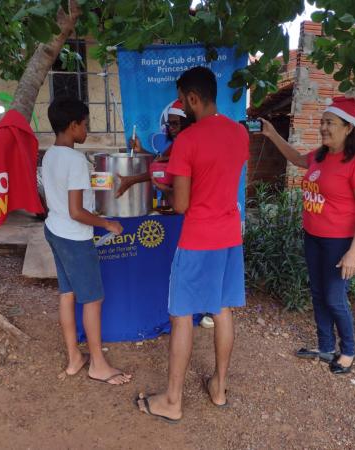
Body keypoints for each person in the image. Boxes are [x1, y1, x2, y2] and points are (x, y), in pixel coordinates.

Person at [136, 67, 249, 422]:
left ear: (194, 98)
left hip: (199, 238)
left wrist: (166, 188)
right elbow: (221, 179)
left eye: (183, 99)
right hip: (230, 236)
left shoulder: (188, 140)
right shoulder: (239, 134)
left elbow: (182, 205)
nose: (182, 106)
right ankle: (218, 388)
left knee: (182, 315)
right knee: (222, 309)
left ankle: (172, 401)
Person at [259, 96, 355, 374]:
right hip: (313, 236)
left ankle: (347, 350)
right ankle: (325, 346)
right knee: (317, 293)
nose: (323, 127)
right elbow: (297, 158)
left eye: (330, 123)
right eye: (322, 122)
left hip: (340, 242)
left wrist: (354, 252)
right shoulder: (321, 155)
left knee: (335, 297)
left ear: (348, 128)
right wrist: (273, 134)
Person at [42, 97, 132, 385]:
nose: (87, 130)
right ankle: (98, 364)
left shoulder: (50, 155)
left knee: (67, 295)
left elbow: (62, 199)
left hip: (54, 229)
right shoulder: (75, 159)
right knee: (93, 300)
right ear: (72, 126)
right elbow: (77, 211)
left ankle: (74, 358)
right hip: (74, 238)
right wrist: (107, 223)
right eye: (85, 124)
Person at [115, 99, 192, 198]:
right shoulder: (177, 143)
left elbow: (164, 169)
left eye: (175, 123)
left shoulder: (189, 142)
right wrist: (141, 150)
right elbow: (160, 162)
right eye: (169, 124)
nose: (171, 128)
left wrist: (131, 180)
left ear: (186, 122)